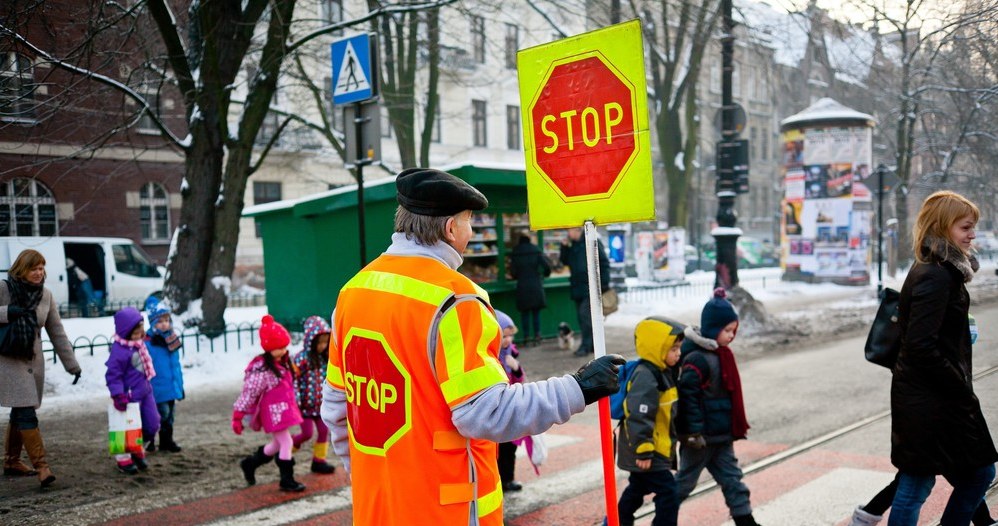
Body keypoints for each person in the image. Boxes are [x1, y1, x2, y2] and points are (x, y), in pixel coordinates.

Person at [320, 167, 624, 526]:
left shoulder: (354, 291)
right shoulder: (457, 299)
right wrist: (578, 387)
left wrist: (366, 476)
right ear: (450, 229)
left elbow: (336, 409)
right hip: (447, 510)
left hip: (378, 508)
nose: (469, 232)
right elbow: (487, 413)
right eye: (468, 223)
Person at [886, 190, 997, 526]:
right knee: (943, 477)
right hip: (933, 399)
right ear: (942, 227)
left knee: (935, 477)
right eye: (965, 227)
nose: (972, 234)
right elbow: (921, 346)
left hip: (931, 397)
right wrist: (959, 387)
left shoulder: (941, 271)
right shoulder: (935, 275)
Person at [675, 288, 762, 526]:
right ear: (713, 328)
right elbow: (688, 398)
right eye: (727, 330)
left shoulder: (722, 354)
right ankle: (664, 518)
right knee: (684, 483)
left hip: (721, 436)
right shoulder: (697, 358)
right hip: (700, 438)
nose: (732, 336)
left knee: (733, 479)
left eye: (734, 330)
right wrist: (692, 432)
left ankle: (746, 521)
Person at [0, 249, 80, 487]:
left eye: (41, 268)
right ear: (21, 270)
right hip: (7, 361)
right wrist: (6, 313)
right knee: (26, 412)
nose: (39, 273)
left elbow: (57, 332)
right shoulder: (4, 289)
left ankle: (12, 461)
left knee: (20, 411)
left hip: (32, 362)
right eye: (34, 268)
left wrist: (72, 365)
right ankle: (42, 467)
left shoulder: (46, 295)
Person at [615, 316, 686, 526]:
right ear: (657, 348)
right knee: (669, 492)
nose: (678, 353)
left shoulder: (663, 371)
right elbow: (639, 415)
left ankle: (616, 521)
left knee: (637, 489)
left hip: (653, 446)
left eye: (679, 348)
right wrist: (644, 450)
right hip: (646, 449)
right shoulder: (646, 375)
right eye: (674, 349)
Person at [232, 314, 306, 492]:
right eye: (277, 348)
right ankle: (286, 479)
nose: (282, 350)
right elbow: (250, 392)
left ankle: (250, 464)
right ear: (268, 348)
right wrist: (238, 415)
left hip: (283, 410)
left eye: (283, 346)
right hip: (273, 413)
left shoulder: (283, 363)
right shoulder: (263, 369)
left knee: (277, 444)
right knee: (287, 442)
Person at [105, 307, 160, 474]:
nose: (139, 335)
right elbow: (113, 375)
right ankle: (123, 458)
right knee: (124, 428)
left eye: (140, 331)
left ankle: (137, 448)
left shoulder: (139, 345)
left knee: (152, 423)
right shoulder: (119, 351)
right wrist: (117, 394)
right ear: (125, 332)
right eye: (135, 333)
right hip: (128, 396)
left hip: (145, 391)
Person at [291, 315, 336, 475]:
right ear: (311, 341)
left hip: (320, 405)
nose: (323, 346)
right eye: (320, 342)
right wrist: (296, 401)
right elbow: (293, 380)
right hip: (304, 406)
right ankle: (286, 452)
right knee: (307, 433)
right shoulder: (301, 359)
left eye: (326, 342)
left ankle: (319, 460)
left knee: (324, 431)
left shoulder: (326, 359)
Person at [559, 226, 610, 356]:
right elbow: (565, 261)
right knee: (582, 317)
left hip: (591, 287)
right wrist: (564, 247)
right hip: (577, 287)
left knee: (585, 315)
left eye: (569, 230)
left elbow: (604, 263)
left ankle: (585, 346)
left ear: (577, 230)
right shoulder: (573, 246)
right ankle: (592, 345)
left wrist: (603, 284)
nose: (568, 233)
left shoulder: (592, 241)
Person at [144, 300, 184, 453]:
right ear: (153, 323)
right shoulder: (148, 343)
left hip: (171, 385)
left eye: (167, 320)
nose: (164, 324)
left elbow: (176, 366)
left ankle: (167, 441)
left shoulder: (171, 340)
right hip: (156, 388)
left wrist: (179, 386)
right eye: (160, 321)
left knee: (169, 417)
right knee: (159, 415)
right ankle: (150, 441)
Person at [494, 310, 526, 492]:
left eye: (510, 336)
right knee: (494, 450)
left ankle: (508, 478)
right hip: (495, 408)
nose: (507, 340)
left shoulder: (511, 354)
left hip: (509, 408)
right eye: (503, 336)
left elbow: (521, 382)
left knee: (509, 448)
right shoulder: (488, 356)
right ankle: (496, 480)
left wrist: (517, 369)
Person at [509, 233, 551, 346]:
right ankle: (537, 336)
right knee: (536, 313)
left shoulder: (515, 252)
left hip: (522, 285)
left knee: (525, 313)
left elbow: (513, 272)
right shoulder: (536, 250)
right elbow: (547, 266)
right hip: (535, 284)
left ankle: (526, 337)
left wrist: (517, 275)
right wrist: (545, 275)